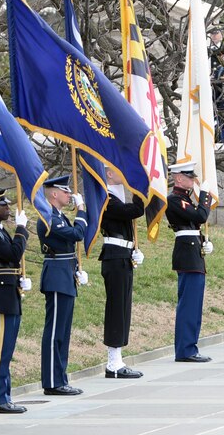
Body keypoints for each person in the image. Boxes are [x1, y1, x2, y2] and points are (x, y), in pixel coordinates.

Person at [37, 175, 88, 395]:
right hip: (56, 277)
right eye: (66, 192)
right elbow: (77, 234)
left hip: (65, 275)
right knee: (55, 332)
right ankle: (52, 381)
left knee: (64, 332)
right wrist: (82, 209)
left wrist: (77, 269)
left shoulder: (58, 216)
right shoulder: (49, 216)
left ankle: (60, 378)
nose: (69, 195)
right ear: (54, 194)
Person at [0, 189, 30, 414]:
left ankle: (5, 396)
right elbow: (12, 254)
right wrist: (21, 229)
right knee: (0, 349)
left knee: (7, 349)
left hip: (9, 290)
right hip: (0, 293)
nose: (8, 208)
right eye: (3, 205)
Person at [99, 167, 146, 377]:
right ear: (109, 173)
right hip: (114, 257)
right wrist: (139, 189)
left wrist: (133, 249)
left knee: (124, 308)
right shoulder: (106, 197)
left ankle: (118, 359)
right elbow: (133, 211)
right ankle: (113, 363)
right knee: (117, 309)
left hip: (122, 255)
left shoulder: (117, 195)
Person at [166, 161, 215, 362]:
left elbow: (196, 223)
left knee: (194, 305)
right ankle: (185, 350)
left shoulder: (185, 199)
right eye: (189, 177)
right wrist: (204, 195)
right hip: (187, 254)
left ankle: (190, 346)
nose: (192, 180)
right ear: (178, 178)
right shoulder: (175, 200)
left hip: (193, 251)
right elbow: (200, 216)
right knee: (188, 305)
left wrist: (203, 241)